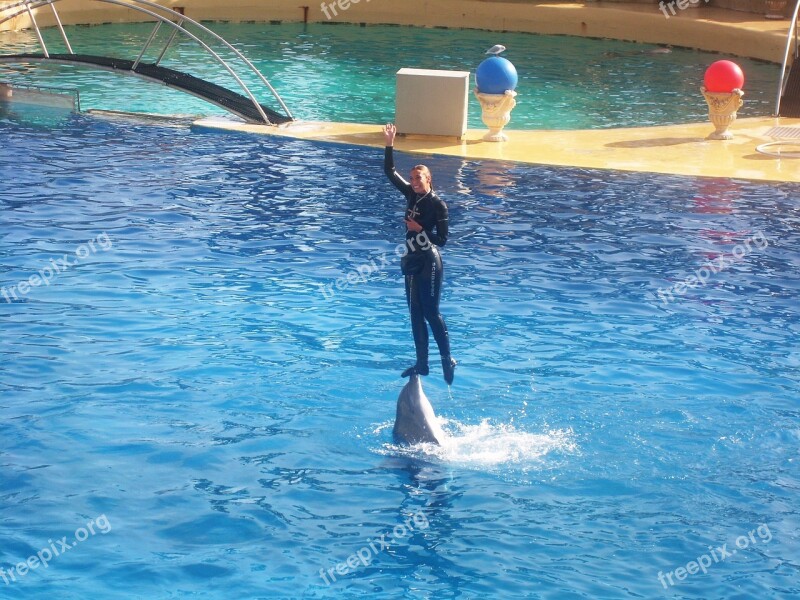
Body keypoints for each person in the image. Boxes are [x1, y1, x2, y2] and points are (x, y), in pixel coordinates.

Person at [383, 123, 456, 385]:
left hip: (429, 260)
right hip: (411, 258)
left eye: (418, 178)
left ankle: (447, 358)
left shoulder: (438, 204)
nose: (413, 182)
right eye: (412, 178)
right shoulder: (410, 195)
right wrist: (389, 144)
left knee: (430, 312)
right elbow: (389, 171)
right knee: (414, 313)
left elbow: (443, 240)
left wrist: (420, 228)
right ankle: (422, 364)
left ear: (428, 180)